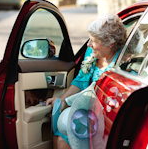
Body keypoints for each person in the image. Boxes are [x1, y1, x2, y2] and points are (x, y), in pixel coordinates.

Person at [46, 14, 126, 149]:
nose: (88, 44)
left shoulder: (123, 62)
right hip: (84, 111)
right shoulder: (91, 52)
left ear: (110, 44)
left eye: (93, 41)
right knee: (59, 136)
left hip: (103, 119)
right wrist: (63, 100)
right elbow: (80, 80)